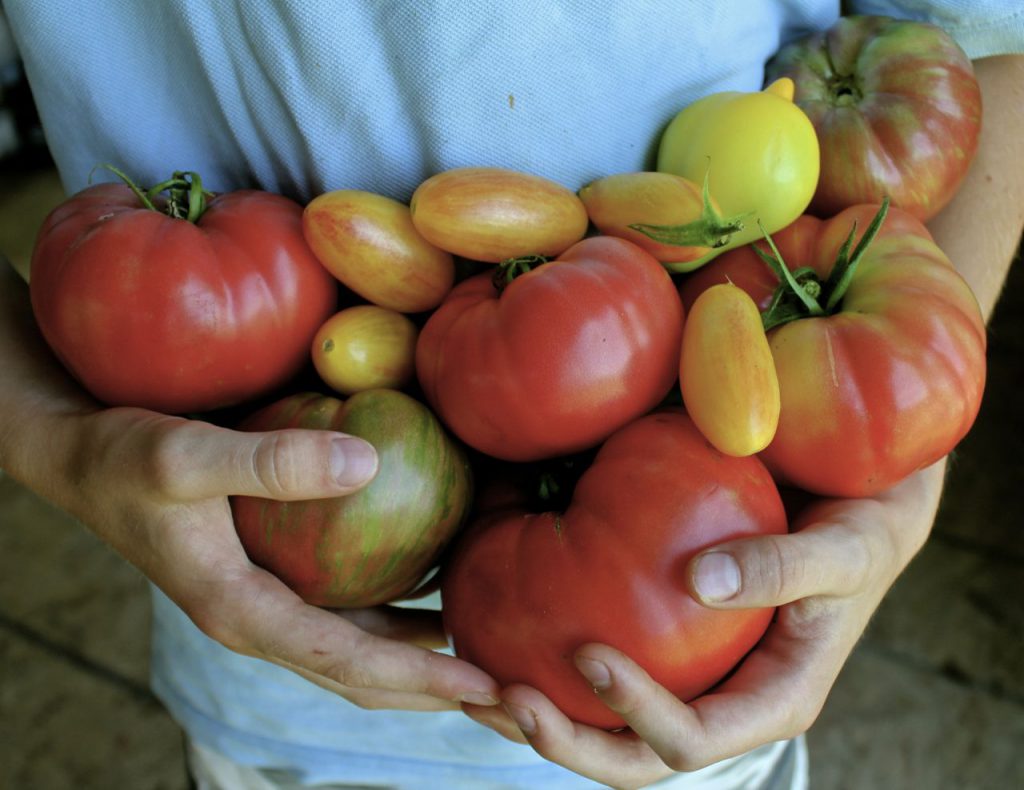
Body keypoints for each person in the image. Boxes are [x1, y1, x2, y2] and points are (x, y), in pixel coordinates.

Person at [1, 2, 1021, 788]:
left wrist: (900, 470)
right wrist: (46, 436)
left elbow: (986, 34)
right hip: (273, 654)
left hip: (724, 626)